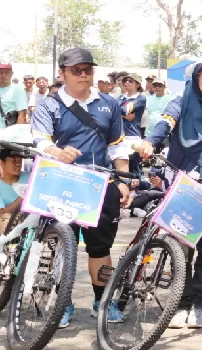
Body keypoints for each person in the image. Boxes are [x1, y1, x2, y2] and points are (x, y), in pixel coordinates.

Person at [137, 57, 202, 328]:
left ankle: (198, 303)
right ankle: (180, 302)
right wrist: (151, 141)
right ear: (195, 78)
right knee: (180, 246)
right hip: (181, 179)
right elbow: (166, 123)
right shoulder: (180, 100)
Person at [31, 47, 131, 327]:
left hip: (100, 185)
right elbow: (40, 140)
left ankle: (103, 300)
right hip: (60, 183)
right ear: (62, 74)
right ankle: (63, 302)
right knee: (62, 245)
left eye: (88, 70)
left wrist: (122, 180)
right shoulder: (49, 104)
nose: (84, 75)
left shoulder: (109, 104)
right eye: (76, 70)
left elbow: (117, 146)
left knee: (101, 249)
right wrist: (56, 152)